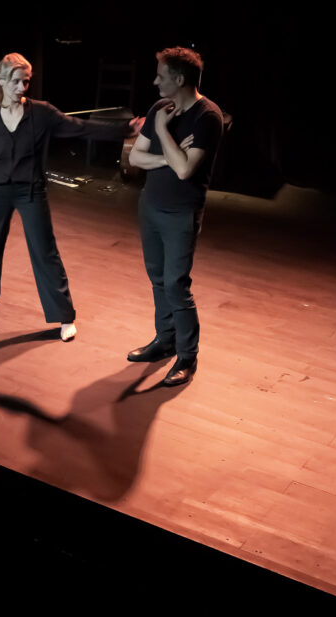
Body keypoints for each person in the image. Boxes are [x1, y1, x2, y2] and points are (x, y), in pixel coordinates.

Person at [0, 53, 142, 342]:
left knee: (45, 251)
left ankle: (64, 315)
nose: (22, 88)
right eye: (16, 82)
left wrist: (125, 129)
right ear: (2, 81)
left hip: (30, 191)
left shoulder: (42, 113)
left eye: (26, 82)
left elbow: (81, 127)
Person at [126, 47, 223, 386]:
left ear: (179, 79)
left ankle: (186, 356)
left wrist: (162, 131)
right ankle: (164, 341)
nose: (155, 82)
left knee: (176, 285)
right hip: (150, 206)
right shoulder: (159, 108)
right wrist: (171, 156)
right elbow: (136, 158)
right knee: (157, 279)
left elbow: (185, 172)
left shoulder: (207, 116)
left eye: (161, 76)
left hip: (181, 213)